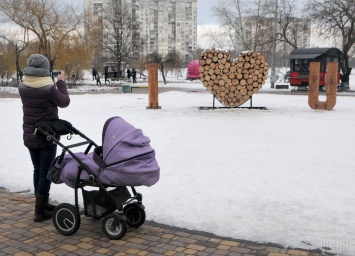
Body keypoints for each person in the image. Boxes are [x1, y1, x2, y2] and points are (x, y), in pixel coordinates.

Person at [18, 54, 70, 222]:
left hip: (30, 135)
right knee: (45, 173)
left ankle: (42, 204)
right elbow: (64, 101)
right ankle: (40, 212)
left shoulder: (22, 86)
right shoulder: (49, 89)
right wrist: (61, 82)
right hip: (46, 136)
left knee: (37, 170)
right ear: (45, 70)